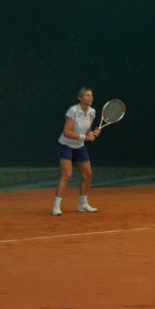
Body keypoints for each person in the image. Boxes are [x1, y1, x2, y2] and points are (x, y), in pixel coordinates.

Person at [51, 87, 101, 216]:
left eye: (91, 95)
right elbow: (66, 133)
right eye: (87, 95)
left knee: (87, 174)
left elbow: (87, 131)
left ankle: (83, 205)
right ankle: (56, 206)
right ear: (80, 98)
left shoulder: (92, 112)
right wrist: (86, 137)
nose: (90, 98)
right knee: (67, 175)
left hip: (79, 146)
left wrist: (93, 133)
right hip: (65, 145)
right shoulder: (73, 111)